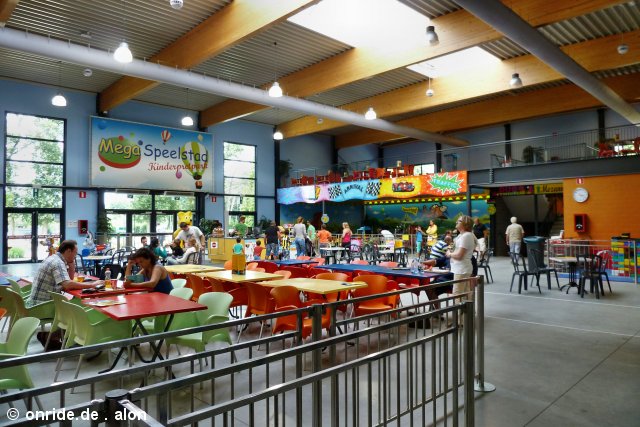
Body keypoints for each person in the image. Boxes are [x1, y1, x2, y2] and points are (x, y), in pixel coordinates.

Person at [27, 240, 102, 307]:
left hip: (36, 304)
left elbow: (69, 280)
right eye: (75, 253)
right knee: (78, 308)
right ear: (69, 251)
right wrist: (92, 285)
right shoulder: (58, 263)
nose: (75, 256)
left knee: (73, 305)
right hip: (42, 307)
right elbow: (68, 285)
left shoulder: (54, 258)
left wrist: (71, 264)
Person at [446, 215, 475, 310]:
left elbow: (459, 255)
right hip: (461, 268)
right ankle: (466, 316)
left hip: (461, 269)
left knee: (457, 294)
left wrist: (450, 254)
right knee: (465, 294)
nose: (456, 222)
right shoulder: (462, 235)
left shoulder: (466, 236)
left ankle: (460, 318)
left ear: (465, 224)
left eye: (459, 221)